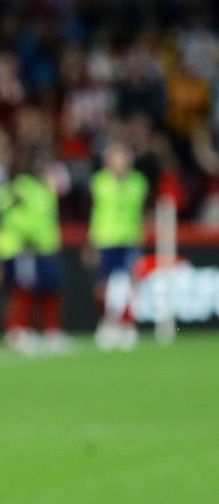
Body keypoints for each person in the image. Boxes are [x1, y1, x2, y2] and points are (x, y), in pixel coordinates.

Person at [0, 155, 67, 355]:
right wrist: (25, 238)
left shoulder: (43, 188)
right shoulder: (18, 189)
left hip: (44, 246)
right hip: (23, 247)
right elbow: (10, 218)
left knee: (47, 289)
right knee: (22, 290)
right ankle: (18, 330)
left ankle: (46, 330)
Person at [86, 141, 148, 350]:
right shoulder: (99, 182)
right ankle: (107, 323)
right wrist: (91, 242)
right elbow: (94, 212)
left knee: (128, 284)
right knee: (102, 287)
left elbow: (137, 209)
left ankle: (126, 325)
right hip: (104, 239)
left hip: (129, 240)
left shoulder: (138, 182)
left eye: (124, 157)